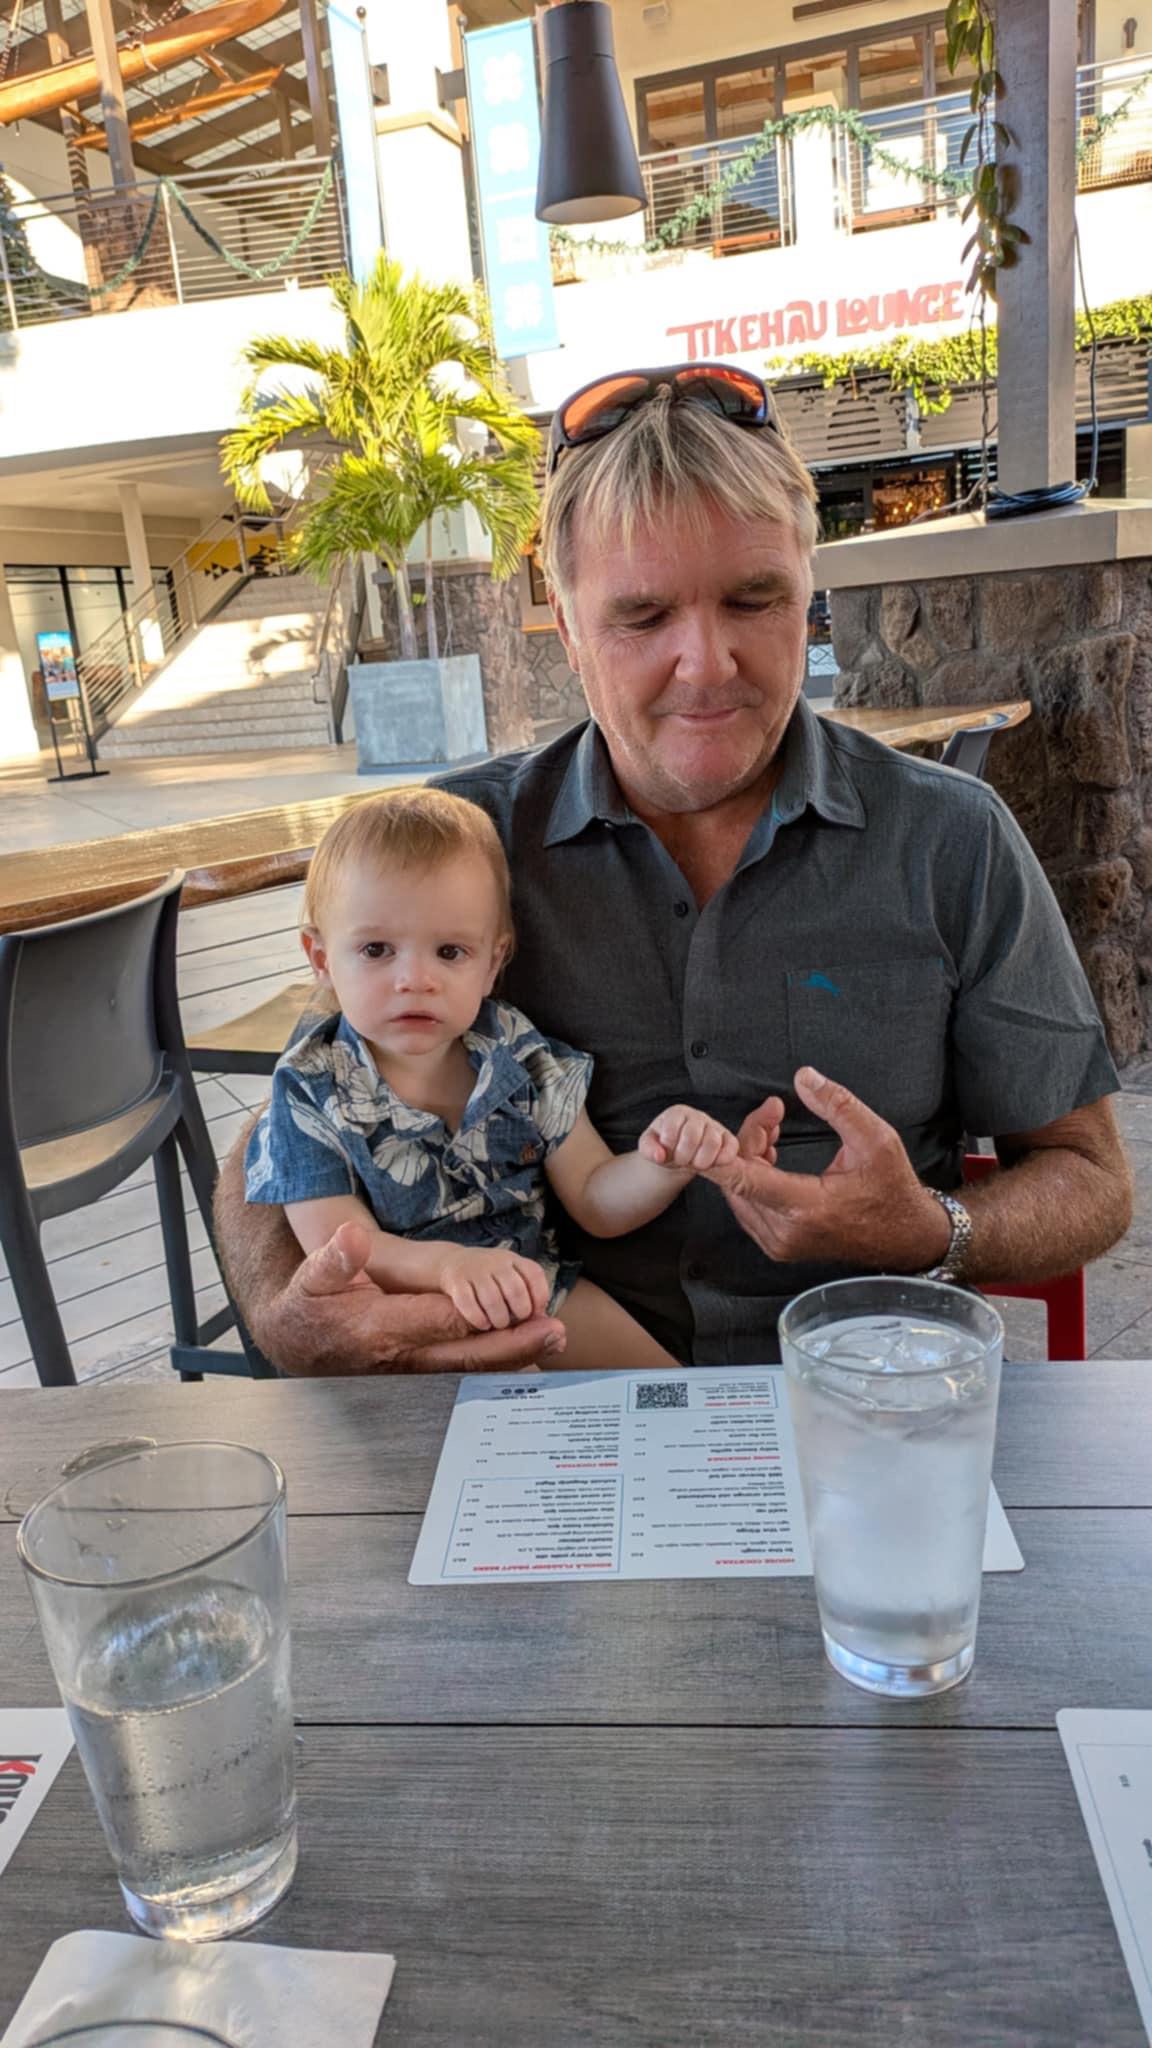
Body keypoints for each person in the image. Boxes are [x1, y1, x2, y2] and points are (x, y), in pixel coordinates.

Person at [215, 361, 1133, 1374]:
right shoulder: (457, 842)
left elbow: (1089, 1176)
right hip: (543, 1388)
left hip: (863, 1382)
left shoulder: (950, 836)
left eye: (754, 598)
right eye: (644, 616)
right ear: (567, 625)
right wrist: (287, 1317)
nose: (706, 662)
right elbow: (284, 1128)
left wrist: (933, 1230)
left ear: (808, 596)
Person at [244, 786, 747, 1370]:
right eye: (377, 949)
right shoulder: (307, 1087)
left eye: (450, 952)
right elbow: (341, 1248)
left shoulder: (515, 1049)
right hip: (401, 1325)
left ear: (493, 962)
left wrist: (665, 1163)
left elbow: (594, 1198)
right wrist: (451, 1267)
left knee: (670, 1399)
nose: (415, 979)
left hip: (537, 1292)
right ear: (321, 958)